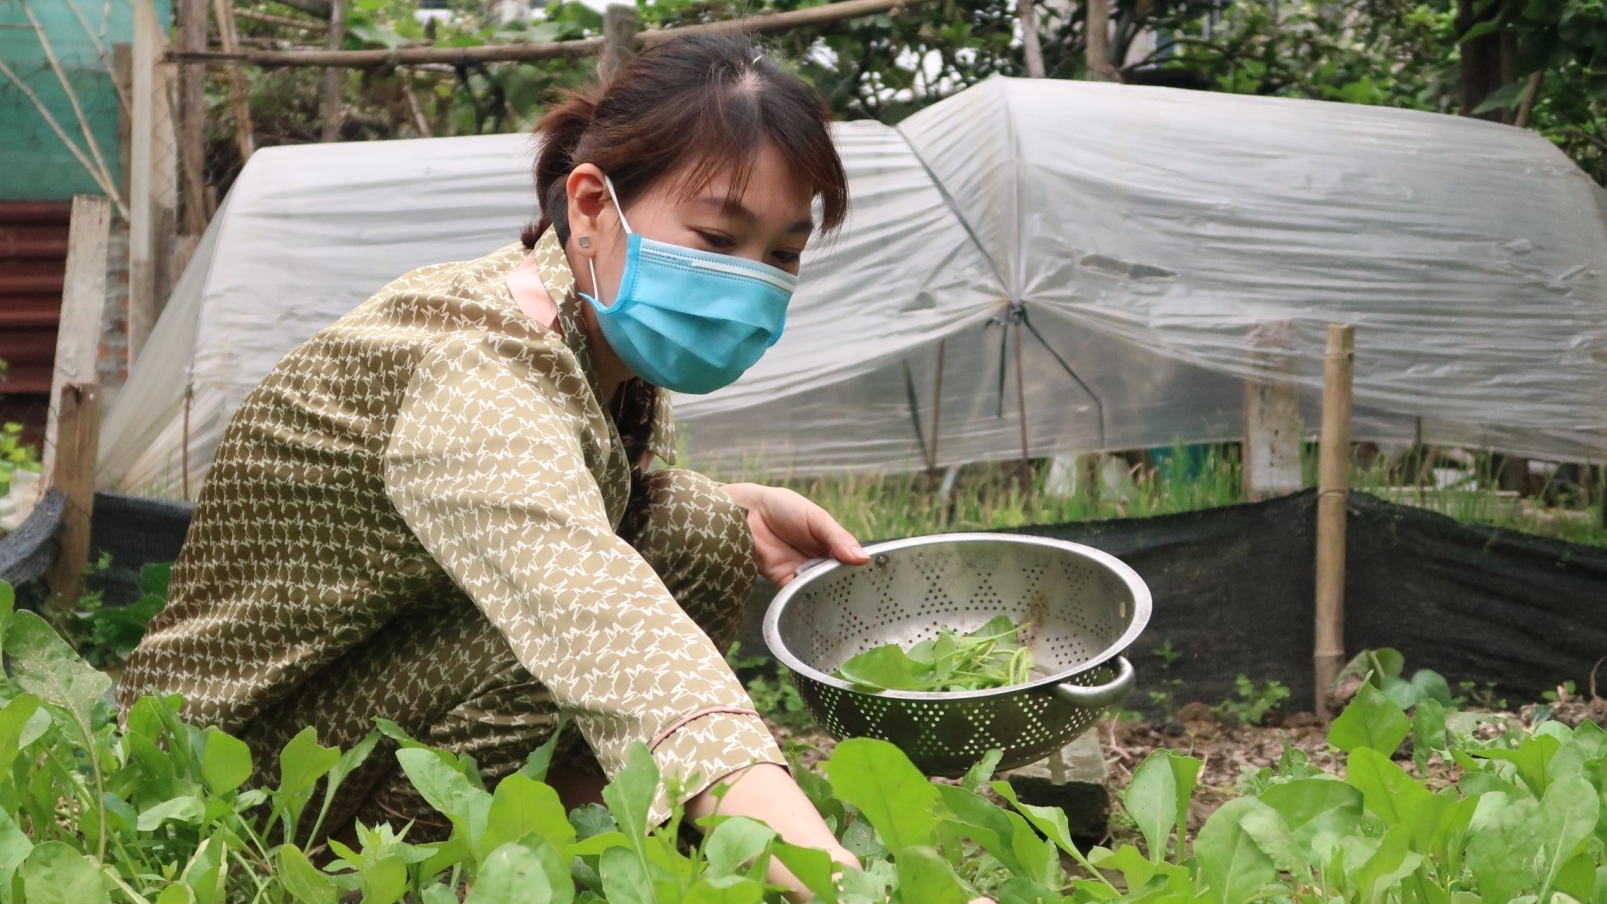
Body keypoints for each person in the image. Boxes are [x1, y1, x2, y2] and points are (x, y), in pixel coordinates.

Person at [117, 33, 869, 891]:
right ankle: (398, 869)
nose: (749, 281)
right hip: (237, 775)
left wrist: (736, 506)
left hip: (359, 705)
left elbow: (537, 498)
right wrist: (843, 882)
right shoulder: (472, 360)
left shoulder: (585, 332)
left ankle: (597, 833)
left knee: (699, 525)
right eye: (715, 238)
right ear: (591, 206)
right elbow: (591, 609)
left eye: (781, 254)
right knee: (593, 605)